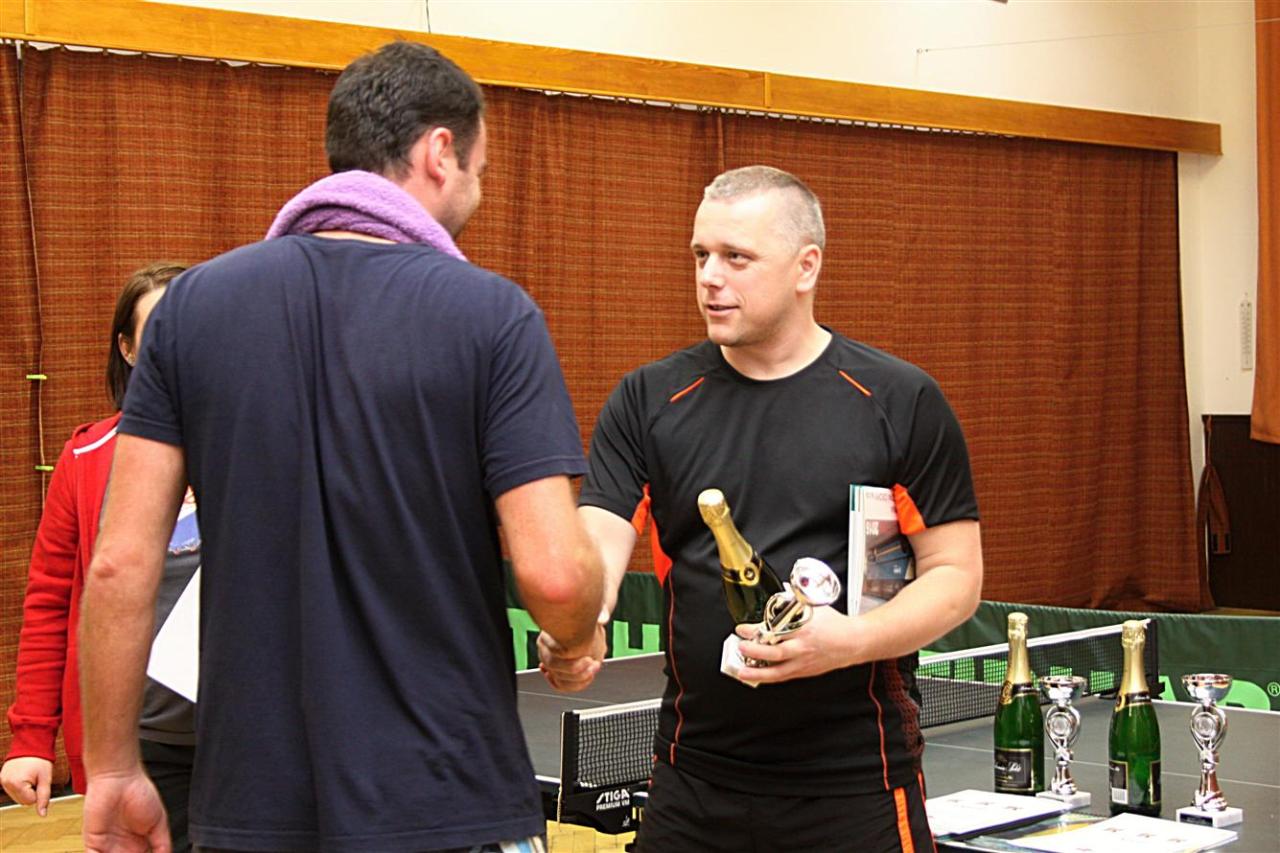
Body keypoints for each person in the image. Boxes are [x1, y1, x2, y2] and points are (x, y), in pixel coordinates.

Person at [77, 41, 605, 853]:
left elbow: (118, 564)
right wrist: (575, 637)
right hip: (447, 797)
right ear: (439, 152)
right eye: (479, 170)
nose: (477, 190)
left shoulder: (189, 311)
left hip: (247, 804)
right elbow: (557, 574)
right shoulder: (494, 316)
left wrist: (113, 767)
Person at [539, 165, 984, 851]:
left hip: (855, 787)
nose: (710, 277)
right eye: (701, 255)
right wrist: (581, 624)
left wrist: (849, 641)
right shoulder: (649, 399)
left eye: (736, 257)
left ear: (807, 266)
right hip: (691, 786)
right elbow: (599, 538)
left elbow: (956, 575)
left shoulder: (899, 401)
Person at [2, 262, 199, 851]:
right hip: (135, 745)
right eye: (159, 331)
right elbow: (50, 604)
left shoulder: (262, 446)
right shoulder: (87, 457)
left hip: (252, 739)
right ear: (128, 348)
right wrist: (32, 738)